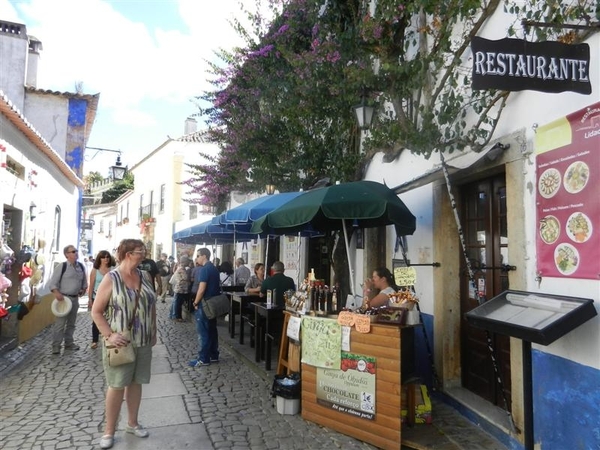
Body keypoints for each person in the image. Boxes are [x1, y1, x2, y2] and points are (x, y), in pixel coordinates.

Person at [91, 239, 157, 449]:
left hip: (143, 340)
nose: (144, 254)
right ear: (128, 254)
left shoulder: (145, 276)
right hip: (120, 342)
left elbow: (152, 304)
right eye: (140, 251)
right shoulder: (112, 278)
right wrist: (109, 335)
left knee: (136, 382)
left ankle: (132, 423)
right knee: (117, 385)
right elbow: (96, 311)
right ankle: (109, 431)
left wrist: (154, 330)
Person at [48, 245, 88, 354]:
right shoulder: (62, 266)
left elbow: (84, 282)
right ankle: (56, 346)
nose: (76, 253)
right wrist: (57, 293)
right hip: (63, 299)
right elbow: (52, 283)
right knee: (60, 324)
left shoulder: (81, 266)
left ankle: (69, 343)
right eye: (73, 251)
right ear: (67, 254)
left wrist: (83, 290)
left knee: (71, 323)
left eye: (76, 251)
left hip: (75, 299)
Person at [189, 247, 221, 367]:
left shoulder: (204, 269)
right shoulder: (213, 268)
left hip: (205, 304)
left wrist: (196, 302)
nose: (196, 258)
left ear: (204, 256)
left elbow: (201, 289)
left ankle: (203, 358)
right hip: (213, 303)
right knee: (212, 330)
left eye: (198, 255)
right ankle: (214, 355)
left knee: (203, 332)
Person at [87, 250, 116, 349]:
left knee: (111, 318)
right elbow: (91, 286)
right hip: (97, 297)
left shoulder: (113, 269)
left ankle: (109, 336)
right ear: (100, 259)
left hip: (111, 297)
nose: (106, 259)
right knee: (96, 318)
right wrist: (90, 299)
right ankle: (95, 340)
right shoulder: (95, 270)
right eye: (103, 257)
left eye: (107, 257)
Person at [169, 255, 190, 322]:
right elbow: (184, 278)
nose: (188, 262)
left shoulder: (182, 268)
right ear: (184, 262)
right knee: (177, 303)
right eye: (187, 261)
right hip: (180, 289)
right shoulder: (181, 269)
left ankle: (172, 315)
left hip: (181, 289)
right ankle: (176, 316)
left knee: (176, 302)